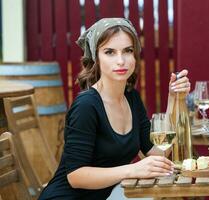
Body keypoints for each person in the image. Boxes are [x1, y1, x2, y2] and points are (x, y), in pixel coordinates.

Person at [38, 18, 190, 200]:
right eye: (109, 52)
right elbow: (75, 176)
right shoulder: (86, 106)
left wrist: (174, 98)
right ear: (96, 58)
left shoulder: (131, 99)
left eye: (128, 51)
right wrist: (133, 169)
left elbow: (159, 152)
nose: (121, 61)